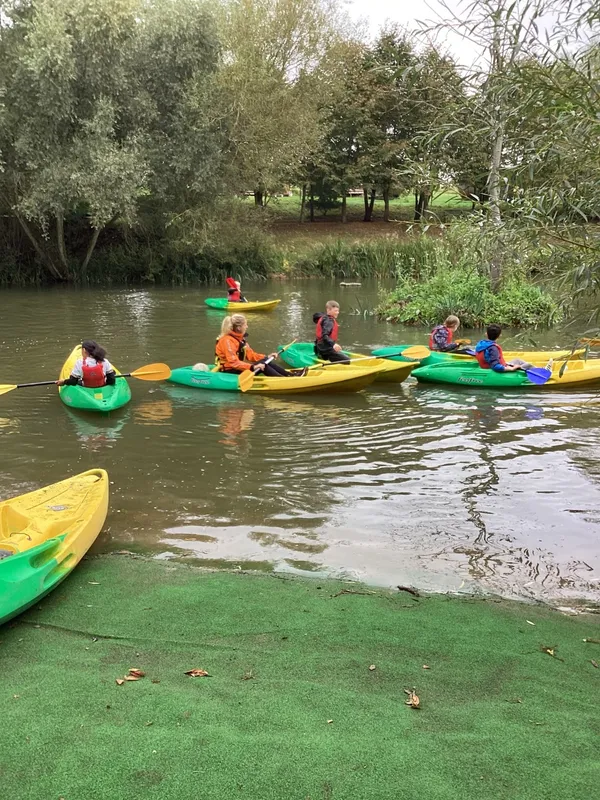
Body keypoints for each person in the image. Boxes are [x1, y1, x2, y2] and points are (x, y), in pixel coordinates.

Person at [215, 315, 306, 377]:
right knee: (263, 365)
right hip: (229, 372)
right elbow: (233, 362)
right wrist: (253, 367)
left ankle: (288, 375)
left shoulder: (240, 339)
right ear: (239, 328)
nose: (247, 326)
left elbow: (251, 355)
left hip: (236, 368)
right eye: (245, 324)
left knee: (265, 361)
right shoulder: (227, 341)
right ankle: (284, 379)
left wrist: (267, 357)